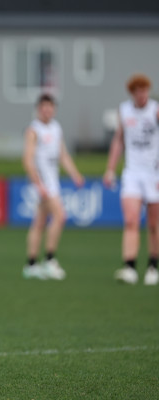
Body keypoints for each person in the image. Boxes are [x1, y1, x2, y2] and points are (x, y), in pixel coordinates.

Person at [104, 74, 159, 285]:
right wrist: (110, 169)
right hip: (132, 172)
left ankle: (153, 266)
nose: (142, 94)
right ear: (132, 93)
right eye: (138, 91)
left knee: (154, 224)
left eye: (145, 90)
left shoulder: (155, 109)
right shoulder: (124, 111)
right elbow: (118, 140)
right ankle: (129, 267)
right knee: (130, 220)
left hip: (154, 173)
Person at [22, 94, 84, 280]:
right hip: (43, 184)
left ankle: (31, 264)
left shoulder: (56, 128)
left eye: (50, 107)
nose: (47, 110)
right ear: (38, 109)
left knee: (39, 222)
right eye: (44, 107)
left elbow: (63, 155)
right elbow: (28, 160)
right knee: (60, 216)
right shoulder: (34, 130)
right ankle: (49, 260)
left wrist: (75, 174)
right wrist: (38, 184)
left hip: (52, 182)